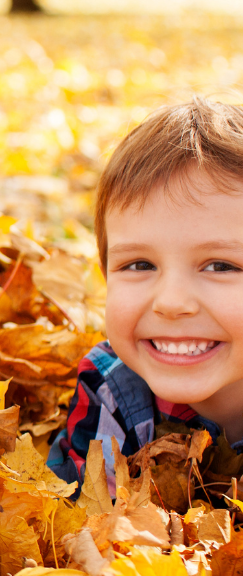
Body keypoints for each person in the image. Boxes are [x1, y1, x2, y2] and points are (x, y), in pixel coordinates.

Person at [48, 97, 243, 490]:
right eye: (139, 265)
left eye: (220, 266)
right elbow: (86, 517)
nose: (171, 302)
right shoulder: (111, 391)